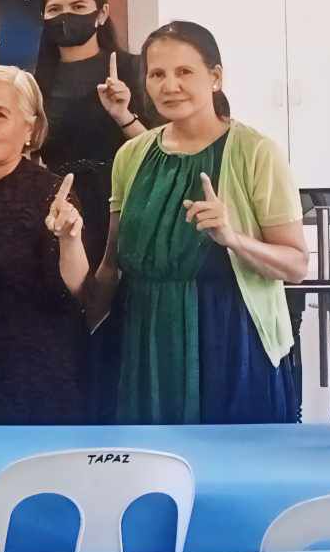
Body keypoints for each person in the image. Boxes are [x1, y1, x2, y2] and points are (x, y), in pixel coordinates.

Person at [87, 21, 307, 424]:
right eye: (157, 74)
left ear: (216, 77)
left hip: (230, 339)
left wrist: (233, 238)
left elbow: (295, 265)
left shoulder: (256, 152)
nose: (169, 85)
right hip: (143, 339)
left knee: (233, 471)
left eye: (184, 72)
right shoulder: (131, 155)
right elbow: (112, 263)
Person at [0, 66, 91, 425]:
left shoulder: (52, 194)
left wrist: (70, 239)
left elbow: (77, 290)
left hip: (36, 375)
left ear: (30, 130)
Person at [31, 0, 153, 264]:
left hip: (124, 203)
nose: (66, 16)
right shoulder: (34, 82)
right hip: (59, 207)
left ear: (101, 13)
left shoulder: (135, 70)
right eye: (55, 9)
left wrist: (123, 115)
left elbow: (161, 150)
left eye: (78, 7)